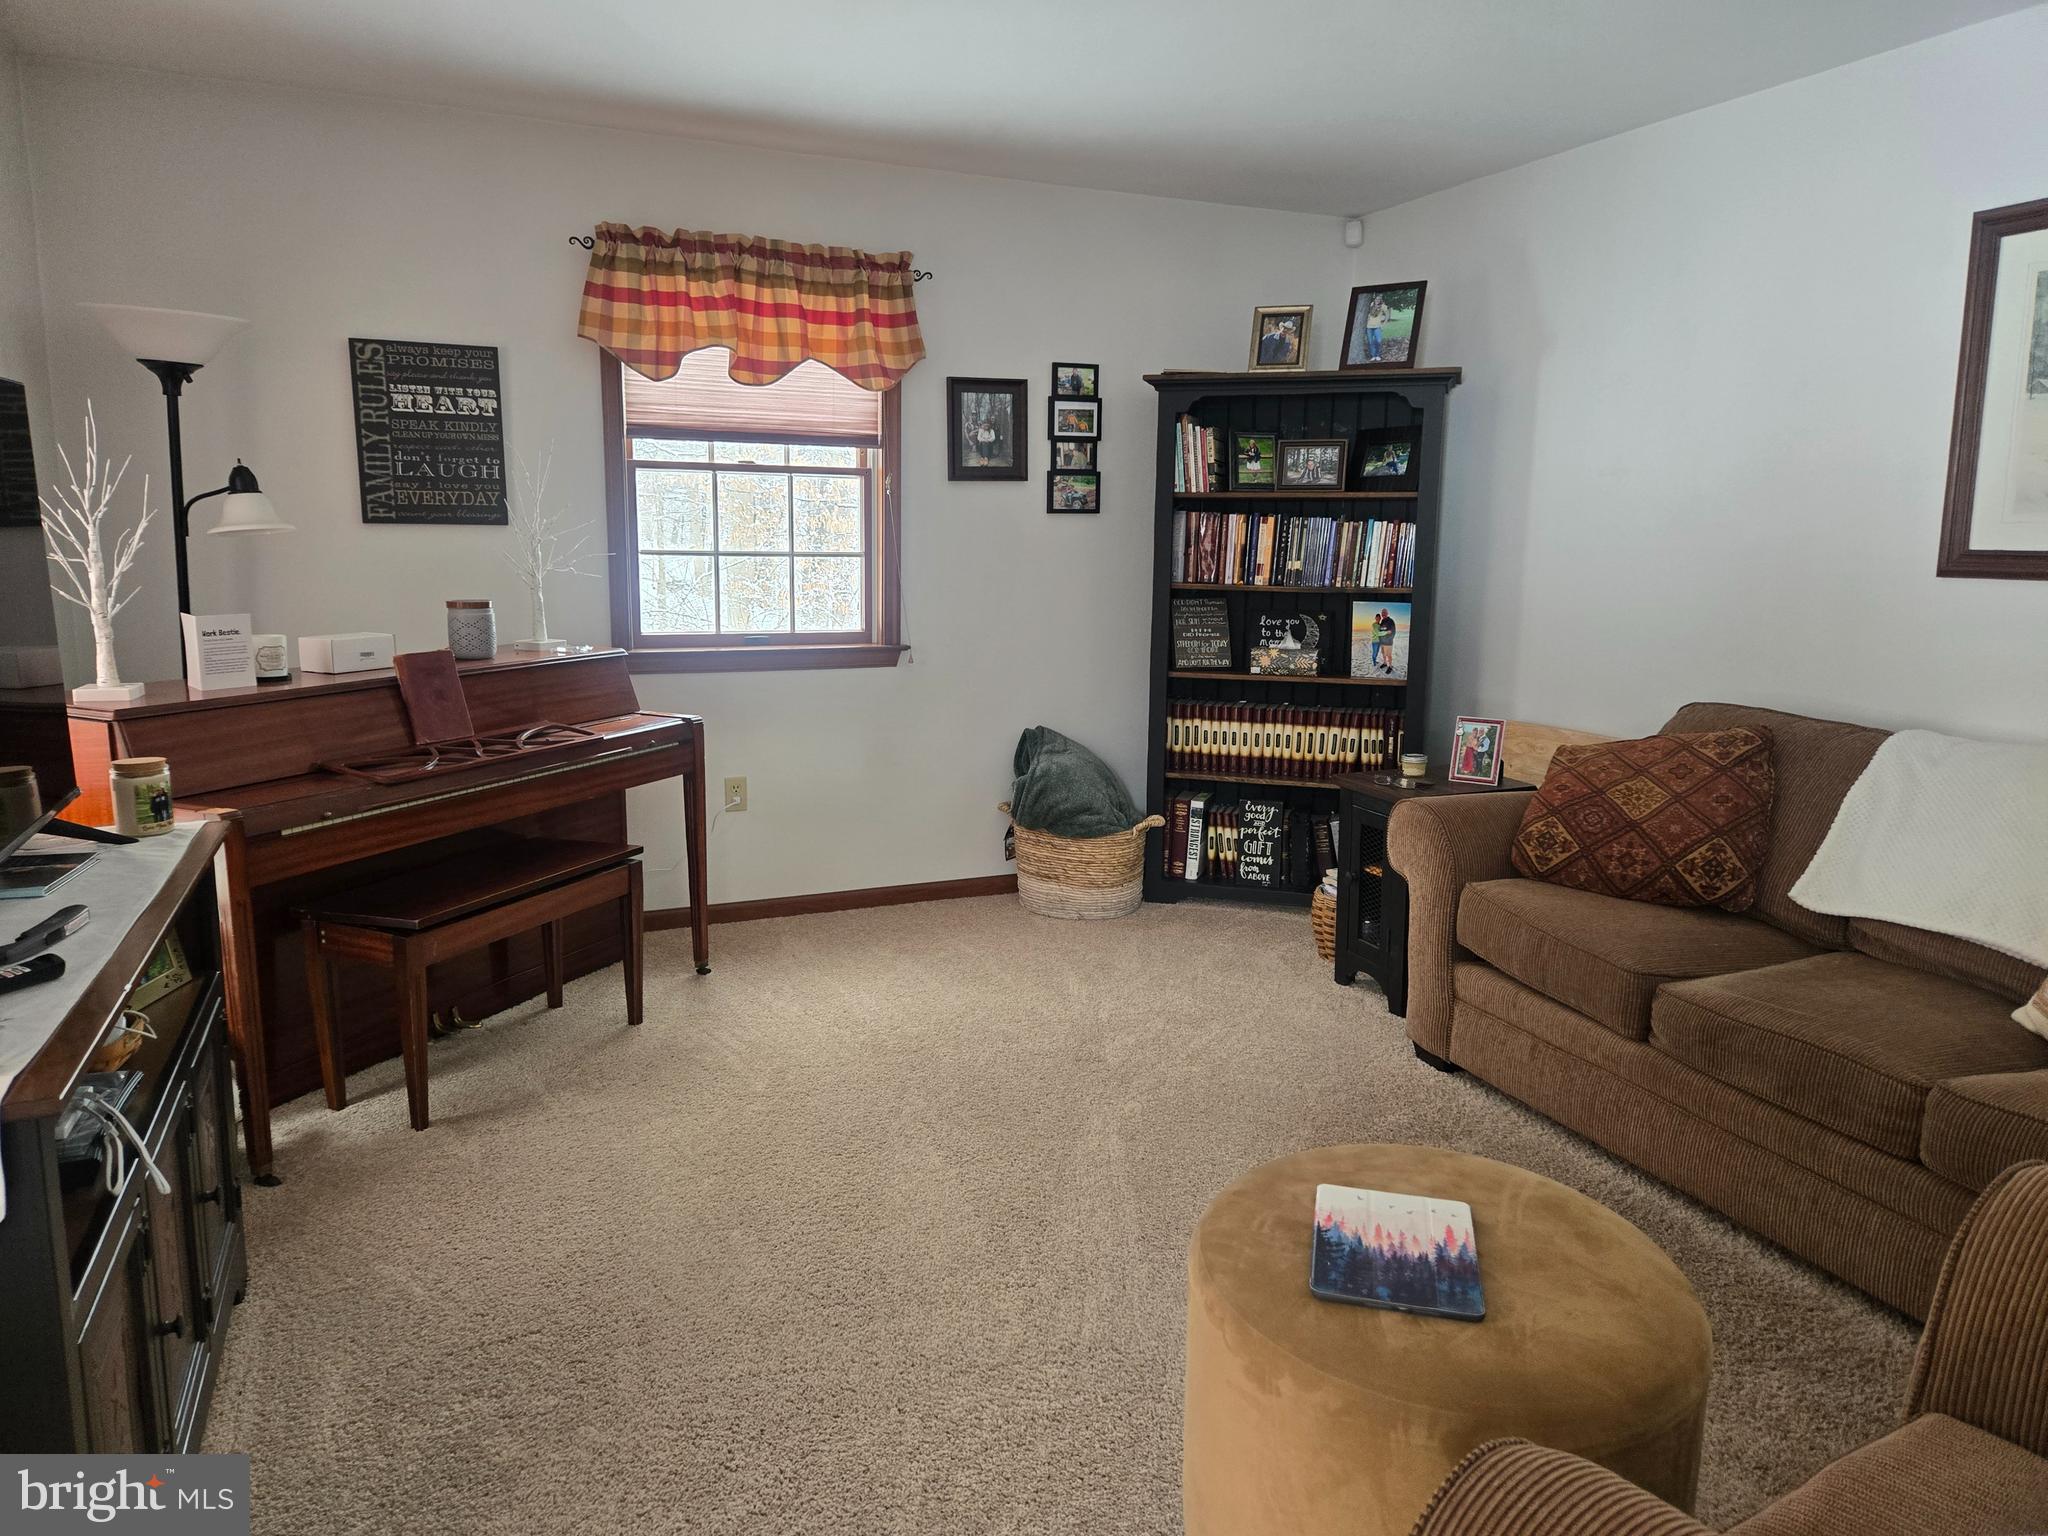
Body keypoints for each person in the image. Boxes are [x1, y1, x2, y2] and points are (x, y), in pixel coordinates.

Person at [1365, 295, 1389, 362]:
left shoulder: (1383, 306)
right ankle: (1373, 356)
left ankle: (1377, 355)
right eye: (1376, 299)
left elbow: (1387, 315)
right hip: (1369, 327)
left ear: (1381, 300)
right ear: (1374, 299)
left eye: (1379, 299)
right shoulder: (1371, 304)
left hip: (1377, 327)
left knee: (1378, 341)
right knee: (1370, 342)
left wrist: (1383, 324)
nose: (1377, 300)